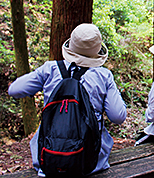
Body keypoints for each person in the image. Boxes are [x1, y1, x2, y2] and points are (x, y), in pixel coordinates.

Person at [8, 23, 127, 176]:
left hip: (49, 158)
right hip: (91, 163)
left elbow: (14, 89)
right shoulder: (103, 76)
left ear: (71, 45)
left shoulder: (49, 69)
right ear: (97, 50)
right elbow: (118, 116)